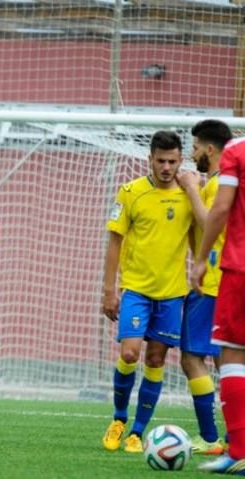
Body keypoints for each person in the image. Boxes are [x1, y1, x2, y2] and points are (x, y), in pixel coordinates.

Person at [101, 130, 192, 453]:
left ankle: (138, 432)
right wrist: (108, 290)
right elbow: (115, 242)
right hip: (136, 289)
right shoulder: (130, 192)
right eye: (160, 161)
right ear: (149, 160)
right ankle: (119, 419)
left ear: (181, 160)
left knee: (156, 359)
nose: (166, 167)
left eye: (172, 161)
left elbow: (199, 236)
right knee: (129, 353)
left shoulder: (189, 194)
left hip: (171, 294)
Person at [177, 119, 232, 456]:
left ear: (209, 149)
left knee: (191, 357)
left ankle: (211, 438)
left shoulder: (213, 186)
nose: (191, 154)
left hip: (211, 283)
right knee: (223, 360)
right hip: (222, 280)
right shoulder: (225, 182)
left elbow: (208, 220)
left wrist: (191, 188)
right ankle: (228, 437)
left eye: (195, 147)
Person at [191, 130, 245, 474]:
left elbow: (222, 207)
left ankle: (239, 449)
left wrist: (200, 258)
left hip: (241, 268)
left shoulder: (236, 151)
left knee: (233, 356)